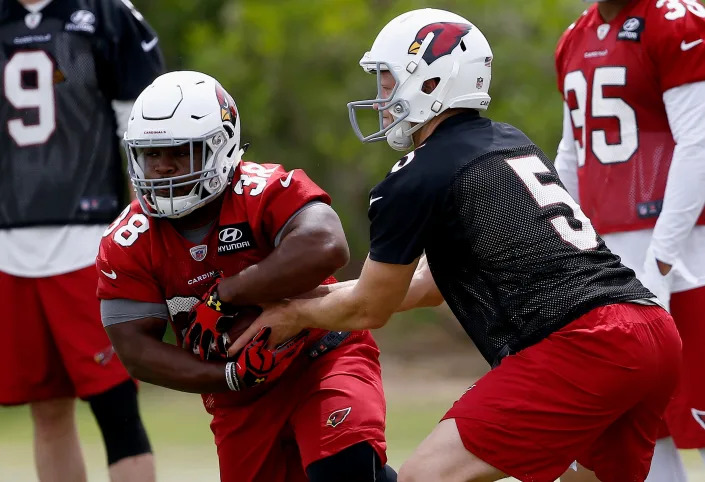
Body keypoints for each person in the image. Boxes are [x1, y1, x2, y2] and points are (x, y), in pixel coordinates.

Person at [229, 8, 683, 482]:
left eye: (387, 82)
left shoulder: (417, 175)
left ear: (430, 83)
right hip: (650, 332)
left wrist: (293, 315)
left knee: (426, 478)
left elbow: (370, 308)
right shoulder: (508, 141)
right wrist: (306, 299)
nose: (380, 99)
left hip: (587, 344)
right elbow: (427, 283)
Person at [96, 70, 395, 482]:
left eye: (179, 152)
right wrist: (229, 376)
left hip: (321, 355)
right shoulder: (128, 239)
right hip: (239, 397)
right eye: (151, 154)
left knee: (343, 468)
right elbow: (134, 348)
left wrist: (228, 294)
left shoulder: (259, 188)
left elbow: (327, 246)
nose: (162, 168)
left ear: (220, 147)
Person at [0, 0, 163, 480]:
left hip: (90, 240)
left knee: (116, 411)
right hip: (7, 248)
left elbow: (143, 132)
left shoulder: (107, 14)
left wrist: (148, 238)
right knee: (46, 409)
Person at [554, 0, 705, 480]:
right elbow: (570, 154)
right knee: (635, 433)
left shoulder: (679, 21)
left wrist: (660, 259)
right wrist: (563, 248)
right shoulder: (574, 37)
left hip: (688, 258)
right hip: (614, 264)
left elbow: (699, 144)